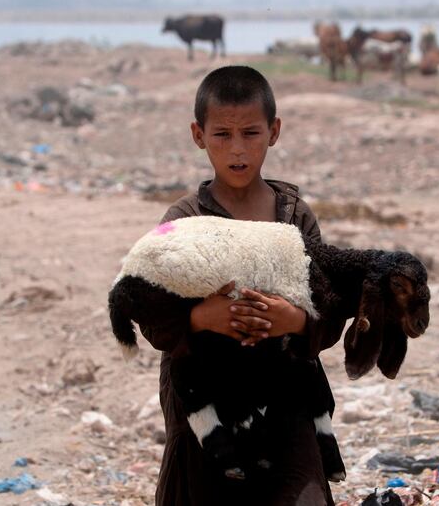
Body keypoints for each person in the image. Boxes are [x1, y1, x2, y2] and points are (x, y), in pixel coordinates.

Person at [143, 65, 346, 506]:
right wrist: (200, 317)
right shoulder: (183, 221)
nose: (237, 149)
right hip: (203, 394)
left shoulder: (295, 218)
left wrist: (292, 319)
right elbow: (150, 313)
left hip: (286, 387)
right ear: (199, 135)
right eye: (222, 135)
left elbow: (328, 310)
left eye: (251, 133)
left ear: (273, 132)